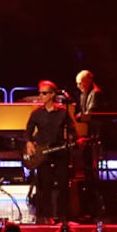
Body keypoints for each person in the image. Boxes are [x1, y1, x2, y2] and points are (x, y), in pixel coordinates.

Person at [25, 80, 74, 224]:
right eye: (40, 93)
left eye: (44, 93)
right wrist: (29, 143)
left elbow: (71, 130)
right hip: (43, 153)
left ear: (52, 94)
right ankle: (46, 216)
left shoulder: (63, 113)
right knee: (44, 184)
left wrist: (71, 138)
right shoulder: (36, 113)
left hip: (59, 151)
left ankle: (63, 216)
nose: (41, 96)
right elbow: (28, 132)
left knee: (64, 184)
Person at [72, 69, 104, 220]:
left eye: (80, 83)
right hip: (86, 134)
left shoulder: (96, 93)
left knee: (91, 171)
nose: (78, 86)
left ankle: (93, 209)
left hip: (93, 135)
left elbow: (92, 114)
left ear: (88, 81)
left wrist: (78, 116)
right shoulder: (84, 92)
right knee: (86, 170)